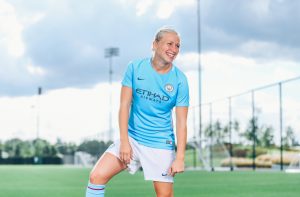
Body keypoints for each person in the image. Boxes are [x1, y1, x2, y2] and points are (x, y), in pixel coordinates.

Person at [85, 26, 189, 197]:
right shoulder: (135, 67)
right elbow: (124, 106)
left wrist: (180, 157)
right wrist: (124, 141)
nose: (174, 49)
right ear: (154, 44)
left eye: (177, 46)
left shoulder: (180, 80)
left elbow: (181, 122)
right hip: (132, 138)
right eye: (169, 44)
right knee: (96, 176)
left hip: (160, 143)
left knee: (165, 196)